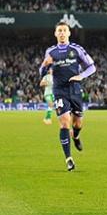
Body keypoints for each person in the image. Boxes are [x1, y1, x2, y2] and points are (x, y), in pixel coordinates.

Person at [39, 22, 95, 171]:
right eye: (59, 31)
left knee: (77, 124)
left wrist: (81, 76)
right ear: (55, 34)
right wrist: (44, 66)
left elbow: (92, 67)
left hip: (75, 90)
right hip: (59, 91)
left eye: (64, 30)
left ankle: (76, 136)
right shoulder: (50, 52)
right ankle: (68, 159)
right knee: (64, 123)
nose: (62, 33)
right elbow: (42, 72)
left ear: (69, 33)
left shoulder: (76, 49)